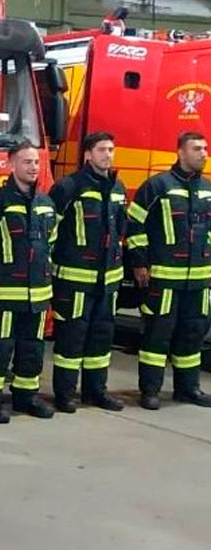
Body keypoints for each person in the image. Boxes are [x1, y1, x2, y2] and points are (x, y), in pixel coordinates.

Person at [126, 131, 211, 409]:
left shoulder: (207, 188)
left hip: (199, 280)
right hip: (163, 278)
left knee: (193, 334)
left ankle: (188, 389)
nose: (203, 153)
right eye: (196, 148)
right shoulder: (157, 186)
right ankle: (150, 390)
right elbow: (134, 225)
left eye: (205, 148)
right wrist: (139, 262)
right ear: (181, 152)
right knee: (157, 335)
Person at [0, 141, 56, 423]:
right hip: (4, 293)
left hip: (38, 294)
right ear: (11, 165)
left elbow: (51, 243)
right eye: (26, 162)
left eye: (36, 162)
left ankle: (26, 397)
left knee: (32, 349)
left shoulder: (46, 204)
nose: (33, 167)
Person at [48, 132, 127, 413]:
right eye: (102, 150)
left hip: (108, 281)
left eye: (111, 150)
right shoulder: (68, 187)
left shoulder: (117, 187)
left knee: (101, 339)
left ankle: (96, 391)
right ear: (88, 155)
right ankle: (65, 394)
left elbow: (121, 227)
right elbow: (50, 231)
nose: (108, 155)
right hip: (75, 280)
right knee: (71, 339)